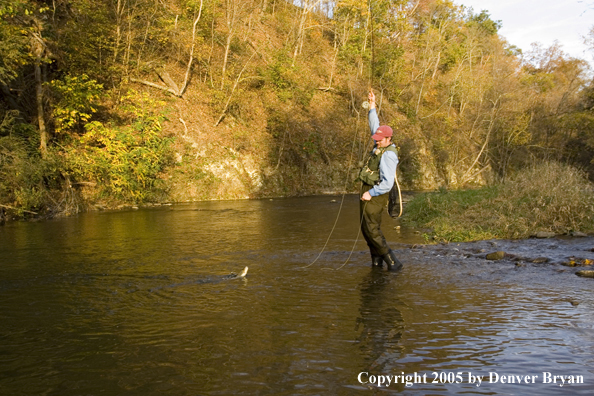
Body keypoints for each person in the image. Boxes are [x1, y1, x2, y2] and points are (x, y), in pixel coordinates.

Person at [358, 90, 403, 271]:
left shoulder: (388, 156)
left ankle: (393, 262)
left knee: (372, 229)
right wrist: (372, 105)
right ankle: (376, 263)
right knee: (366, 228)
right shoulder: (380, 142)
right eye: (376, 139)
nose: (376, 142)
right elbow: (374, 125)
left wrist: (370, 193)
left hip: (376, 193)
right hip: (368, 190)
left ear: (388, 139)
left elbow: (387, 183)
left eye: (379, 139)